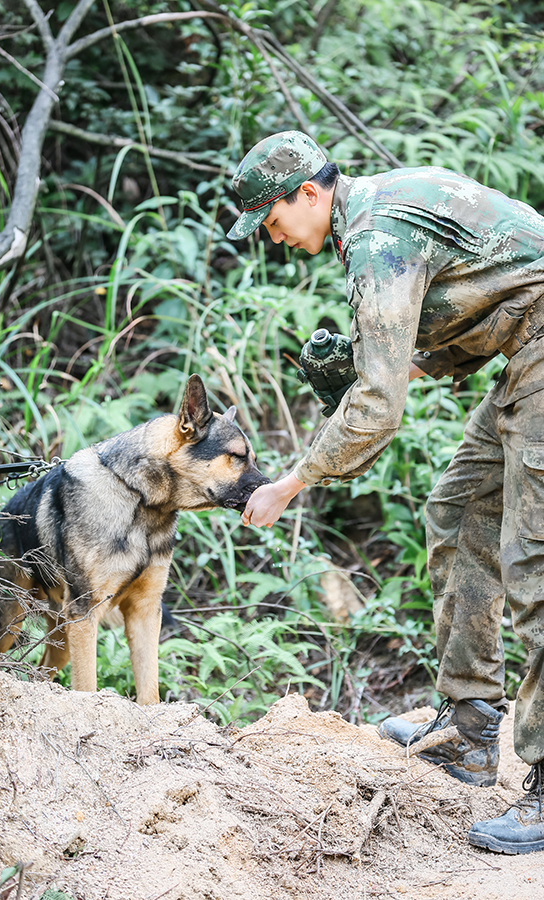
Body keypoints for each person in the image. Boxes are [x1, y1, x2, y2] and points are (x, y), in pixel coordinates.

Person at [227, 130, 544, 855]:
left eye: (273, 222)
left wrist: (288, 484)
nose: (275, 239)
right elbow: (486, 297)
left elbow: (378, 409)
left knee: (533, 563)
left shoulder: (375, 237)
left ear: (309, 193)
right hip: (526, 347)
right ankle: (468, 725)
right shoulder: (372, 213)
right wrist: (381, 358)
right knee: (461, 510)